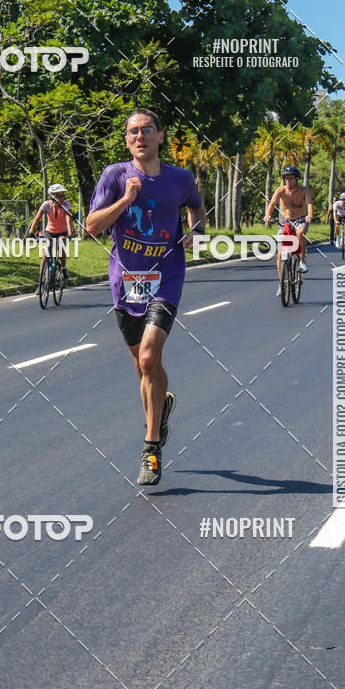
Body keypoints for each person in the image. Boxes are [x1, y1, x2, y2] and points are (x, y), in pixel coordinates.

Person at [86, 108, 206, 486]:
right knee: (143, 368)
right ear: (127, 140)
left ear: (159, 136)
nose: (140, 136)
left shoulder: (180, 178)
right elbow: (91, 227)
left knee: (151, 356)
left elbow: (197, 209)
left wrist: (196, 232)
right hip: (127, 282)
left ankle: (151, 449)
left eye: (146, 130)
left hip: (166, 275)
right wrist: (125, 201)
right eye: (133, 131)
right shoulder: (114, 176)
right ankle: (162, 405)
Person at [264, 165, 313, 297]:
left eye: (290, 178)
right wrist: (268, 215)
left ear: (297, 179)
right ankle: (281, 284)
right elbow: (272, 203)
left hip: (300, 219)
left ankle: (302, 261)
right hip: (284, 221)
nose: (288, 181)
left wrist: (309, 215)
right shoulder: (280, 190)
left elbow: (309, 204)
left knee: (300, 233)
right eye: (286, 178)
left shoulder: (304, 190)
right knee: (280, 254)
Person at [29, 184, 74, 290]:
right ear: (53, 197)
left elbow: (68, 218)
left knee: (61, 247)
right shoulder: (47, 205)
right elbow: (37, 217)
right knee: (45, 254)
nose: (62, 198)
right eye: (60, 196)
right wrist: (31, 231)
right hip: (49, 231)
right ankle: (41, 283)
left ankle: (63, 268)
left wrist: (70, 233)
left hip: (63, 232)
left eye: (63, 196)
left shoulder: (66, 205)